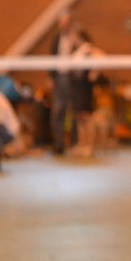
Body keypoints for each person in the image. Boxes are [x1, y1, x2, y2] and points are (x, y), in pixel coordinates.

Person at [68, 27, 106, 158]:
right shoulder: (76, 50)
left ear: (79, 36)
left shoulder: (88, 48)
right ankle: (81, 145)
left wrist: (94, 73)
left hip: (84, 86)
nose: (71, 38)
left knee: (87, 117)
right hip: (76, 86)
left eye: (73, 36)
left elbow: (102, 57)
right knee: (79, 118)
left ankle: (89, 147)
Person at [49, 11, 75, 155]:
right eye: (61, 22)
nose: (63, 25)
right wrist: (51, 78)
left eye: (66, 22)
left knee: (74, 112)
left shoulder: (75, 38)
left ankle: (74, 143)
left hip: (72, 79)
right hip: (59, 77)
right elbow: (52, 58)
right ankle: (58, 144)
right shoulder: (56, 38)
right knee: (58, 111)